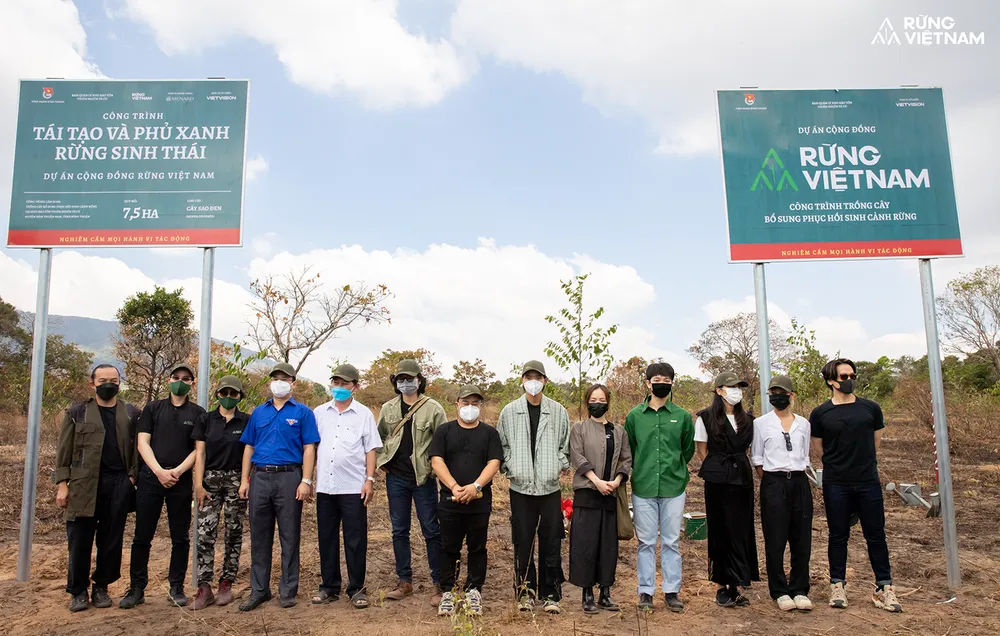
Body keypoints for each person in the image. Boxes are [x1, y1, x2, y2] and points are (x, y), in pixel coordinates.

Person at [811, 358, 902, 613]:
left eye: (852, 375)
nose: (849, 380)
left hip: (868, 482)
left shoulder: (871, 409)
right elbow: (819, 448)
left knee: (876, 535)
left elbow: (875, 444)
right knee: (838, 535)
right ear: (831, 380)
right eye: (843, 376)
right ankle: (837, 584)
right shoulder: (820, 413)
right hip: (836, 483)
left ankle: (884, 588)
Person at [54, 364, 139, 612]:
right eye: (102, 380)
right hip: (83, 485)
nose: (108, 384)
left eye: (113, 379)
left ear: (119, 383)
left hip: (118, 483)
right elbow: (64, 450)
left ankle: (101, 587)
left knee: (111, 540)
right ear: (92, 384)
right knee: (79, 540)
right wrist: (62, 485)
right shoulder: (77, 412)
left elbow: (136, 449)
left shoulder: (131, 413)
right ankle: (78, 591)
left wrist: (131, 480)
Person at [120, 363, 205, 609]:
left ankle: (176, 588)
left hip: (180, 480)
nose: (181, 381)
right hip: (150, 479)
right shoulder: (152, 409)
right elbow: (142, 443)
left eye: (186, 378)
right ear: (168, 380)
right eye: (176, 377)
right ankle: (136, 589)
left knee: (180, 537)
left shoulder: (198, 413)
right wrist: (158, 471)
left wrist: (177, 472)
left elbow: (198, 450)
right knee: (141, 537)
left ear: (192, 383)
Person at [237, 363, 320, 611]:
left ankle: (288, 591)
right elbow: (249, 447)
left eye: (285, 378)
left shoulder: (304, 413)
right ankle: (259, 590)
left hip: (289, 478)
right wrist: (244, 480)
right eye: (276, 378)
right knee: (259, 537)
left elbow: (309, 448)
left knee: (289, 536)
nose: (280, 382)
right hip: (260, 477)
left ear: (293, 382)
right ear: (269, 382)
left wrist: (306, 480)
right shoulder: (258, 413)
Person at [496, 360, 571, 614]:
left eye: (537, 377)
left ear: (545, 381)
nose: (533, 381)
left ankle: (551, 594)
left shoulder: (558, 411)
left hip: (550, 488)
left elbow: (565, 445)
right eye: (528, 377)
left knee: (551, 541)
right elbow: (502, 445)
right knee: (523, 540)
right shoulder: (509, 411)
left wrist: (556, 466)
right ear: (522, 381)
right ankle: (525, 593)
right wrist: (511, 468)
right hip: (521, 488)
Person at [624, 362, 694, 613]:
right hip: (643, 486)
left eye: (667, 379)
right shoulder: (634, 416)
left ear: (672, 383)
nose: (661, 383)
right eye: (657, 379)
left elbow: (687, 450)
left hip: (673, 486)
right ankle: (645, 591)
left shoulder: (683, 416)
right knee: (645, 541)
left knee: (671, 541)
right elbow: (630, 449)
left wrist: (675, 470)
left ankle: (672, 591)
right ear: (647, 382)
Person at [311, 363, 382, 610]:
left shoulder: (364, 415)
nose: (339, 388)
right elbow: (310, 448)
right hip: (325, 487)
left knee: (355, 540)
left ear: (355, 387)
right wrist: (307, 479)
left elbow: (370, 449)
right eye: (336, 383)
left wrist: (369, 480)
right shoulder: (319, 412)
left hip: (353, 487)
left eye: (344, 384)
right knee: (326, 537)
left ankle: (356, 589)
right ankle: (329, 586)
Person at [376, 359, 447, 604]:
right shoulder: (388, 408)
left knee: (431, 529)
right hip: (396, 478)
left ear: (419, 380)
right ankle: (405, 581)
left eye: (410, 378)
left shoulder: (434, 408)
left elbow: (441, 444)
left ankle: (440, 584)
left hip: (423, 478)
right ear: (396, 382)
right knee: (399, 531)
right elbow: (381, 437)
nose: (405, 383)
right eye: (401, 379)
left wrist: (436, 471)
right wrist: (384, 461)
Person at [429, 385, 503, 617]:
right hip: (450, 500)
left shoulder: (490, 434)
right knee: (449, 546)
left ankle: (473, 591)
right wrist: (454, 486)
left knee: (477, 547)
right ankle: (448, 591)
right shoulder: (444, 431)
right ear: (457, 404)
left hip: (479, 500)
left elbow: (494, 463)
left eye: (475, 403)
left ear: (480, 406)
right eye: (465, 403)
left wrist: (475, 486)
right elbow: (437, 461)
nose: (469, 408)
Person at [694, 371, 759, 607]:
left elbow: (751, 450)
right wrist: (719, 469)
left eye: (739, 387)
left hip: (742, 480)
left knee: (740, 528)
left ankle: (737, 583)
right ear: (719, 390)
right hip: (718, 480)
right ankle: (721, 585)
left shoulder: (749, 420)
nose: (736, 391)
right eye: (731, 387)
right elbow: (702, 451)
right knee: (720, 529)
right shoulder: (705, 418)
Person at [751, 375, 814, 612]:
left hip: (799, 481)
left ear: (792, 395)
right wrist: (769, 483)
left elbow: (805, 455)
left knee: (801, 538)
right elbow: (757, 457)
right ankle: (779, 590)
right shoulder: (761, 423)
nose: (777, 396)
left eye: (782, 393)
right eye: (773, 393)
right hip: (773, 482)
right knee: (775, 538)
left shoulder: (804, 424)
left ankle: (800, 588)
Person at [568, 384, 632, 614]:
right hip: (587, 494)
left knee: (607, 547)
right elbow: (577, 455)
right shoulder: (579, 429)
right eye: (593, 399)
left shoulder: (618, 430)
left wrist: (616, 481)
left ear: (607, 402)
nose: (597, 403)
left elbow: (626, 459)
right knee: (586, 545)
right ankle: (587, 594)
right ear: (587, 402)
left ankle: (605, 593)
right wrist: (596, 481)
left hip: (610, 495)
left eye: (602, 399)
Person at [191, 375, 250, 609]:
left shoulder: (246, 421)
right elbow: (200, 453)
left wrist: (245, 480)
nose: (228, 398)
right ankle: (204, 587)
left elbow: (248, 452)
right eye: (224, 393)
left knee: (234, 532)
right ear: (217, 395)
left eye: (233, 394)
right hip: (209, 480)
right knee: (205, 533)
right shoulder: (206, 420)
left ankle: (227, 582)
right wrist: (198, 484)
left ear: (239, 396)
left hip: (236, 478)